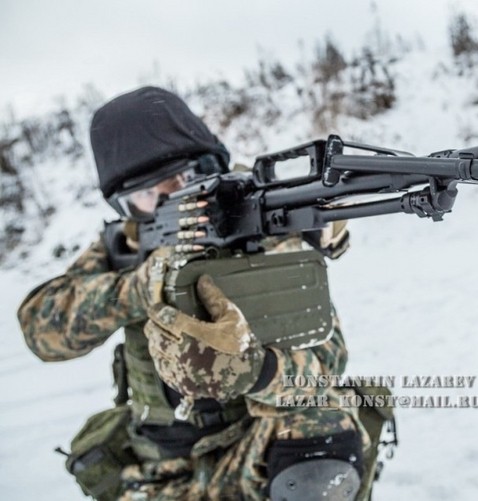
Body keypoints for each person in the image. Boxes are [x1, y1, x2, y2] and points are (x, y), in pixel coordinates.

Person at [16, 86, 377, 500]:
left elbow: (326, 366)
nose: (173, 201)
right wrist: (141, 286)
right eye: (145, 196)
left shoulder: (255, 225)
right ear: (126, 209)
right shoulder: (129, 244)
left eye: (183, 179)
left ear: (212, 168)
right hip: (159, 467)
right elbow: (40, 328)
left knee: (326, 418)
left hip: (252, 445)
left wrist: (253, 369)